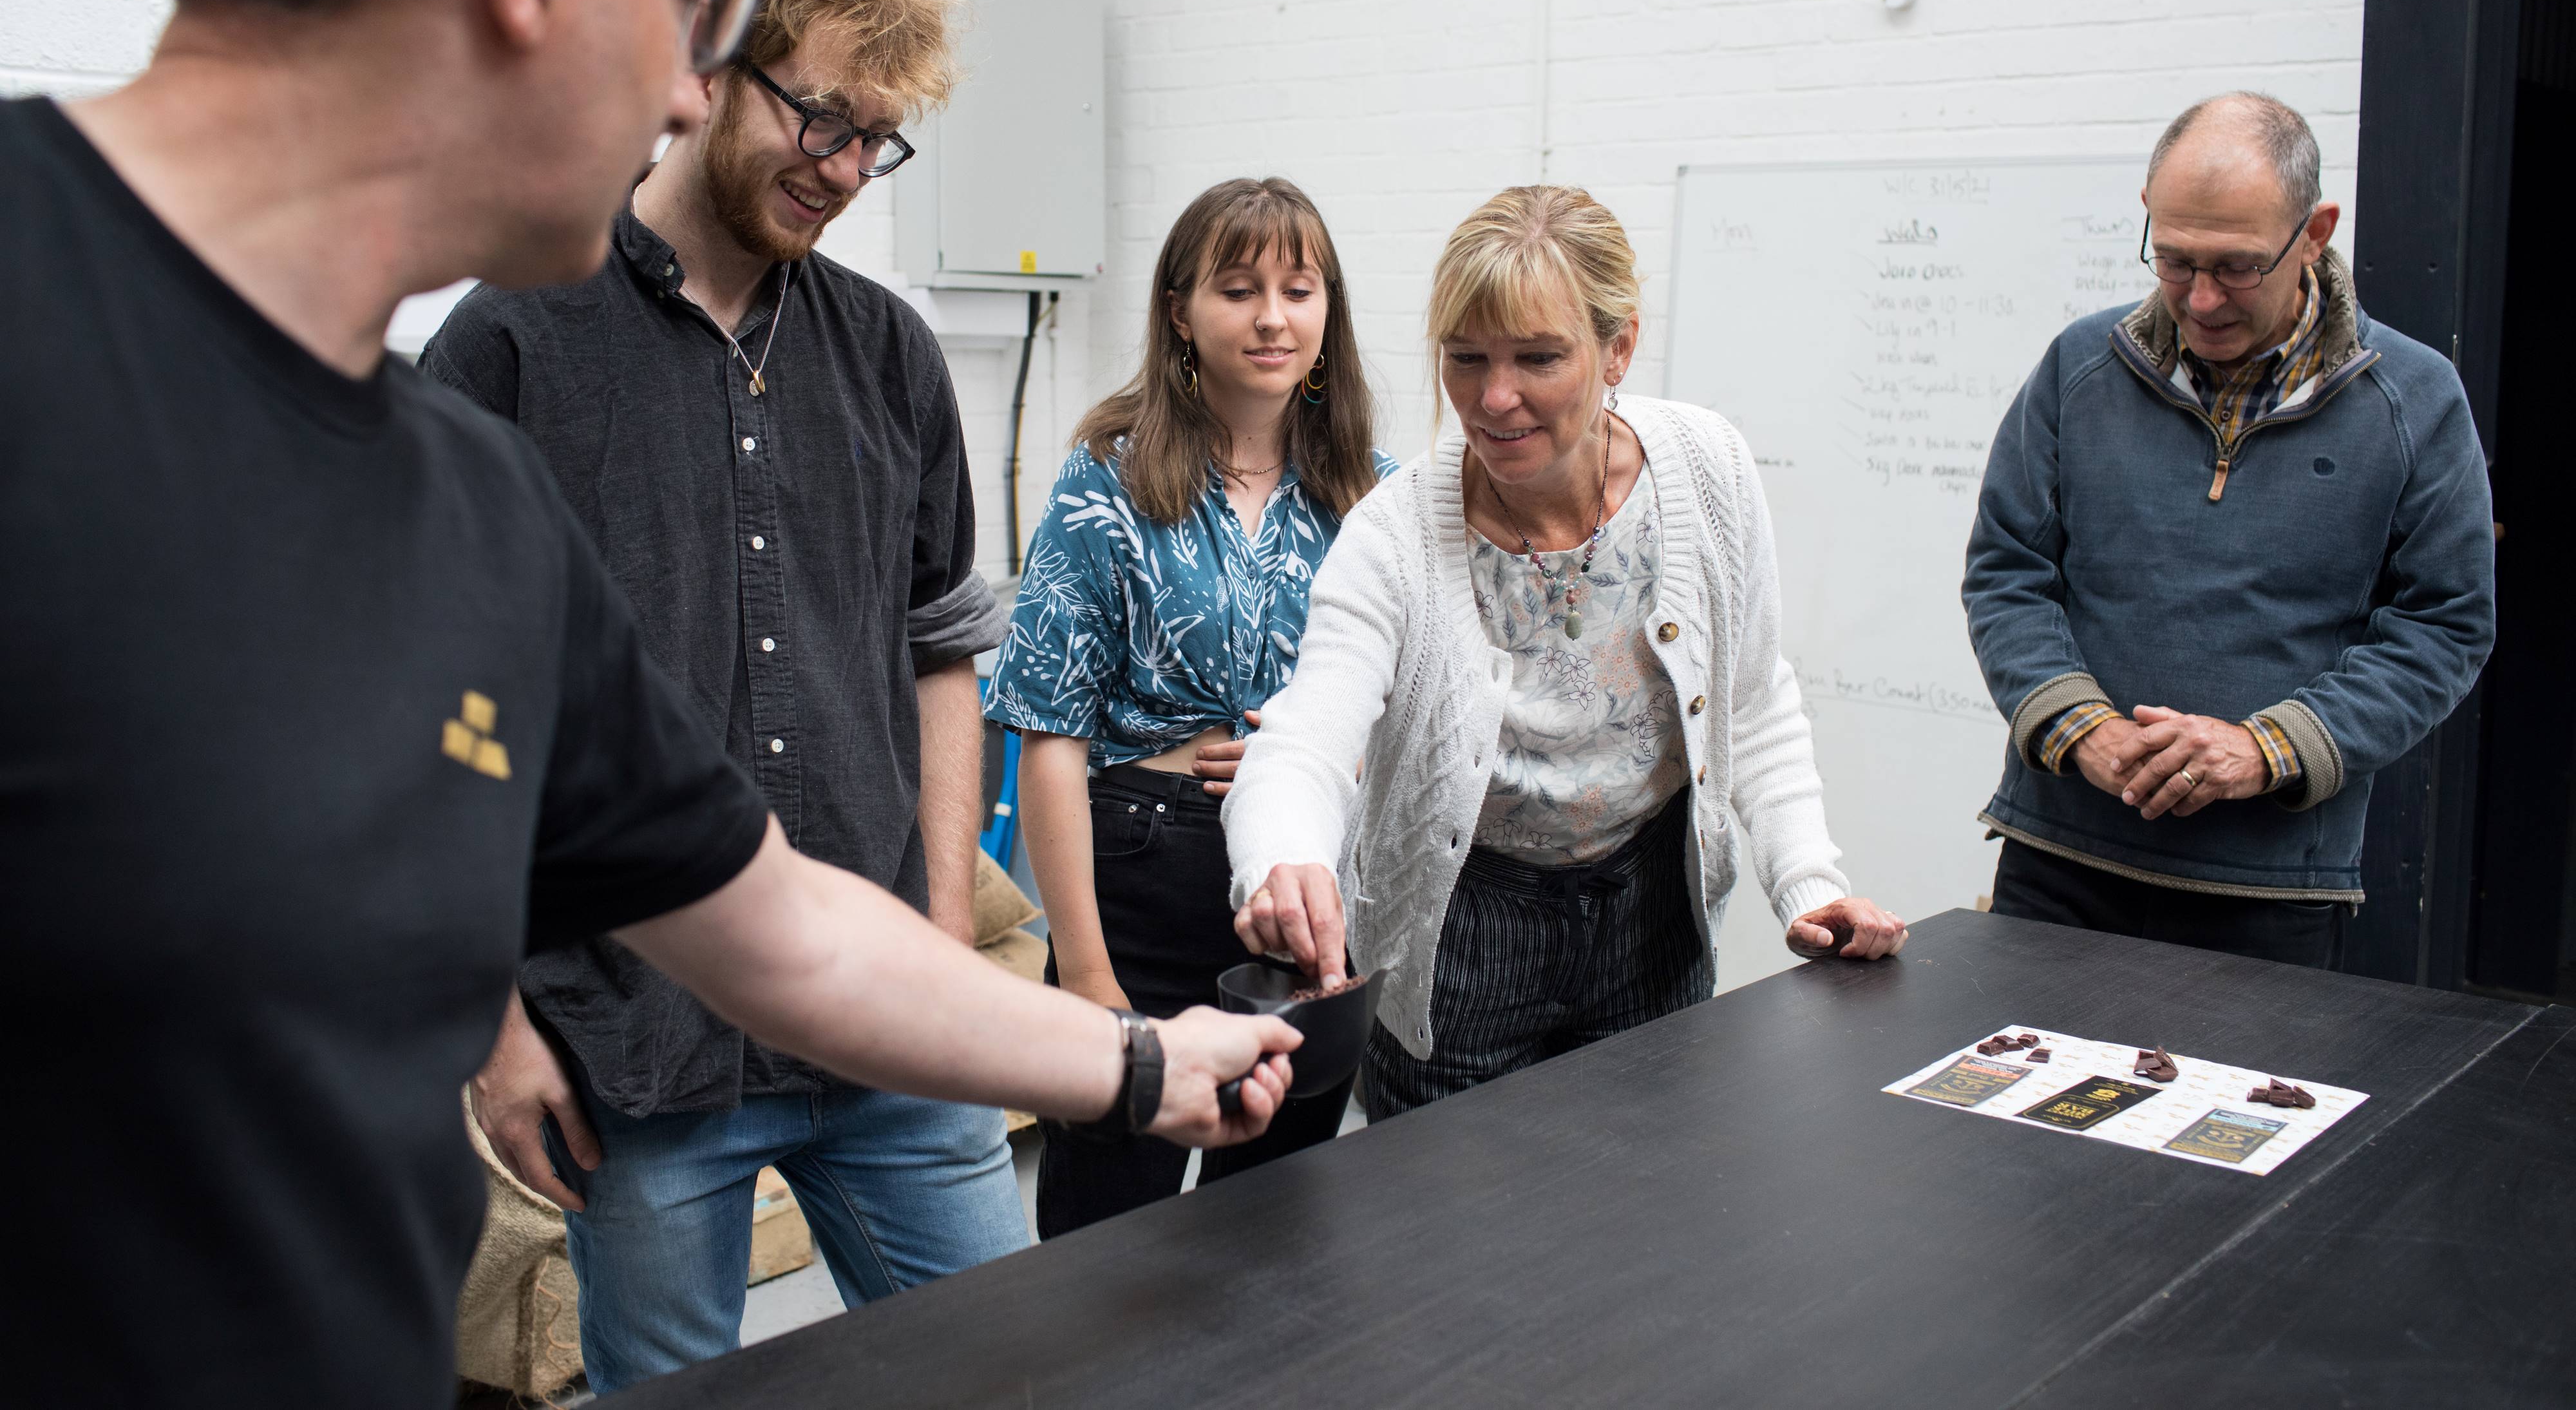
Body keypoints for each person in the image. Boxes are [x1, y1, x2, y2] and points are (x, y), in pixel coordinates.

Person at [0, 0, 1295, 1407]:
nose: (689, 93)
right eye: (690, 10)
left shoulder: (463, 498)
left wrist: (1137, 1060)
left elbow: (775, 933)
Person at [422, 0, 1026, 1391]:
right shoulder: (510, 342)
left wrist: (941, 932)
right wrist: (496, 1028)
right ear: (704, 73)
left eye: (875, 142)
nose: (839, 167)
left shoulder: (890, 353)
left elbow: (940, 649)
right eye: (818, 114)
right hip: (641, 1038)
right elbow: (434, 714)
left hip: (887, 1017)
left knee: (1026, 1359)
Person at [1222, 186, 1908, 1118]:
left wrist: (1811, 883)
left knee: (1637, 1214)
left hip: (1649, 913)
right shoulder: (1396, 537)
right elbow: (1304, 739)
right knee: (1459, 1233)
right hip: (1462, 927)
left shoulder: (1705, 470)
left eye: (1538, 358)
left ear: (1617, 346)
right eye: (1465, 360)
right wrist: (1282, 861)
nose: (1493, 398)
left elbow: (1751, 699)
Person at [1962, 92, 2497, 965]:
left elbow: (2444, 628)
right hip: (2059, 861)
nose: (2202, 300)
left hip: (2270, 888)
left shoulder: (2417, 401)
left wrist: (2265, 748)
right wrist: (2081, 728)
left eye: (2238, 267)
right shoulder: (2078, 369)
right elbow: (2007, 575)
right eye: (2174, 261)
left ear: (2315, 231)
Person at [984, 178, 1394, 1234]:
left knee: (1272, 1228)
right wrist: (1085, 974)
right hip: (1139, 874)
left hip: (1301, 897)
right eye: (1239, 288)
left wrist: (1308, 755)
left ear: (1328, 311)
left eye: (1299, 290)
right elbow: (1049, 737)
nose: (1272, 317)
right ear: (1181, 312)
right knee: (1110, 1240)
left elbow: (1414, 705)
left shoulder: (1374, 495)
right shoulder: (1106, 481)